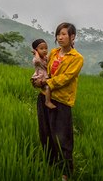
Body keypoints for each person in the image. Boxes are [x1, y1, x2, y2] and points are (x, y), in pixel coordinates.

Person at [33, 22, 84, 181]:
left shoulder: (77, 58)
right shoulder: (54, 52)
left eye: (63, 34)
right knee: (45, 134)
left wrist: (47, 82)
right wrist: (38, 80)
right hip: (44, 97)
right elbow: (44, 69)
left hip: (61, 102)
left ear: (72, 37)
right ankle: (50, 166)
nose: (60, 37)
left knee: (62, 138)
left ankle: (66, 172)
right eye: (58, 34)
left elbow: (66, 78)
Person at [31, 39, 56, 109]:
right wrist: (36, 53)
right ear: (36, 50)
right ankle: (47, 102)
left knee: (48, 87)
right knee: (48, 87)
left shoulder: (45, 58)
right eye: (41, 48)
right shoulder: (36, 59)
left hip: (45, 75)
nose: (44, 50)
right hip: (40, 76)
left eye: (46, 48)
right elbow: (38, 61)